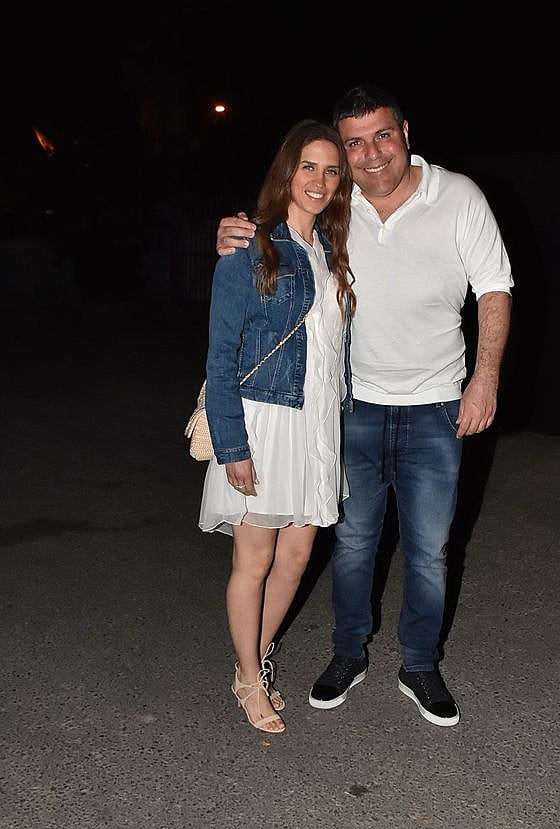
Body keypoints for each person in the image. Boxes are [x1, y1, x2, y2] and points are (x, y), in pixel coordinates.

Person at [215, 85, 513, 728]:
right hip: (350, 406)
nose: (371, 153)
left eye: (382, 135)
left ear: (405, 132)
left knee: (429, 550)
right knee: (351, 545)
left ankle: (419, 664)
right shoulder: (336, 207)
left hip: (437, 405)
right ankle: (346, 654)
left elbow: (494, 286)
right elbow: (277, 237)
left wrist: (485, 378)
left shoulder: (458, 196)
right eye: (354, 143)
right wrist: (236, 233)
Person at [201, 119, 355, 734]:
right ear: (287, 171)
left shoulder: (334, 251)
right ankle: (248, 676)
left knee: (297, 554)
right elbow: (221, 357)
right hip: (265, 421)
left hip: (317, 423)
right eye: (308, 166)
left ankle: (254, 660)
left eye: (331, 170)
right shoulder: (251, 248)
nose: (319, 180)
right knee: (256, 557)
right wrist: (232, 445)